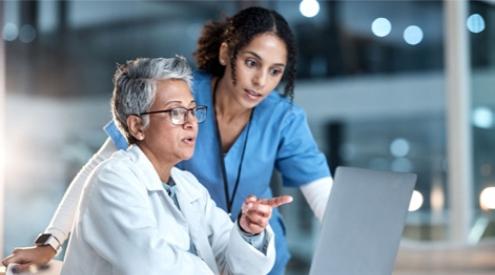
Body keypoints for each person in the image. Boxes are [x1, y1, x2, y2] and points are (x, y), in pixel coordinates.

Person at [2, 6, 333, 275]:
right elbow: (98, 168)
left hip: (241, 251)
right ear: (225, 54)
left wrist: (249, 229)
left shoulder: (279, 120)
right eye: (251, 63)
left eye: (275, 71)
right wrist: (52, 239)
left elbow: (327, 204)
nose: (261, 81)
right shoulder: (177, 95)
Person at [60, 56, 292, 274]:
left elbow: (234, 262)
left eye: (192, 110)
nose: (191, 122)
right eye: (176, 112)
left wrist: (249, 232)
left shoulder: (187, 186)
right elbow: (150, 264)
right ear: (138, 126)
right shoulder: (113, 179)